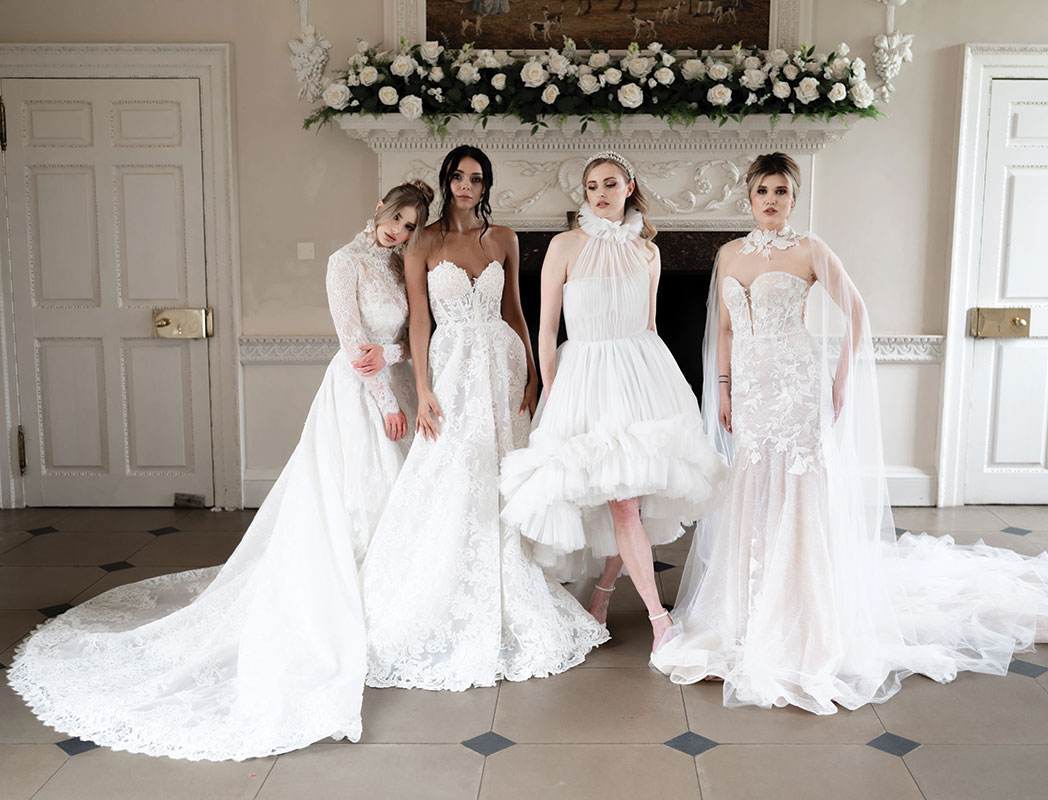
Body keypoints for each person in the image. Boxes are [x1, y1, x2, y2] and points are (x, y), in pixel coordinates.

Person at [651, 152, 1048, 710]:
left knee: (800, 486)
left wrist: (838, 382)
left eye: (782, 192)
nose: (771, 201)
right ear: (749, 196)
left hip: (796, 383)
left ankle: (802, 609)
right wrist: (725, 384)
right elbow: (727, 329)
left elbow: (856, 311)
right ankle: (744, 605)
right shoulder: (727, 254)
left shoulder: (811, 249)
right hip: (754, 391)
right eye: (762, 191)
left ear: (795, 198)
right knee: (754, 486)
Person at [7, 183, 434, 759]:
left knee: (404, 499)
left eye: (411, 226)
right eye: (397, 218)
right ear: (380, 207)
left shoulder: (397, 262)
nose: (400, 231)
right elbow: (354, 341)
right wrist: (384, 401)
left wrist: (401, 371)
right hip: (360, 395)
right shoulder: (344, 261)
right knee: (361, 498)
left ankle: (394, 607)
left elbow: (409, 338)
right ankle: (353, 611)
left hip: (400, 385)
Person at [361, 146, 608, 691]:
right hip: (451, 369)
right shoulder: (422, 242)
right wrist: (423, 389)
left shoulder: (504, 239)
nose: (465, 186)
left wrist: (535, 375)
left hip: (503, 364)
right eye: (457, 176)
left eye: (476, 179)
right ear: (447, 180)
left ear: (486, 185)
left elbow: (515, 311)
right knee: (451, 468)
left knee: (506, 470)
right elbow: (419, 323)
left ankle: (513, 574)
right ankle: (449, 583)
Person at [500, 151, 726, 652]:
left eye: (609, 183)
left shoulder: (649, 251)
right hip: (584, 377)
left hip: (642, 375)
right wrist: (553, 388)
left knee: (631, 502)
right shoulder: (563, 246)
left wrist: (658, 387)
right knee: (620, 504)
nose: (599, 193)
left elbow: (649, 325)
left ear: (629, 185)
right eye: (591, 186)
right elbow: (547, 327)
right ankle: (657, 619)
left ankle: (604, 593)